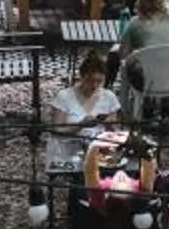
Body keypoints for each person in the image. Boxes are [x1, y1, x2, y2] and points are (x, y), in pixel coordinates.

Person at [71, 127, 158, 229]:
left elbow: (89, 171)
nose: (121, 175)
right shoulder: (141, 193)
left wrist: (94, 146)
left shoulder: (98, 195)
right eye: (125, 181)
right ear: (134, 190)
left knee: (76, 191)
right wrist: (145, 150)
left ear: (108, 192)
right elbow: (149, 170)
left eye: (120, 181)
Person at [43, 51, 121, 179]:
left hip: (99, 149)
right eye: (91, 81)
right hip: (69, 149)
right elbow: (56, 130)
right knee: (83, 176)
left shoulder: (109, 97)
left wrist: (107, 123)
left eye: (99, 82)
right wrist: (80, 126)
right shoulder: (64, 97)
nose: (95, 86)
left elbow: (114, 132)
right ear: (82, 77)